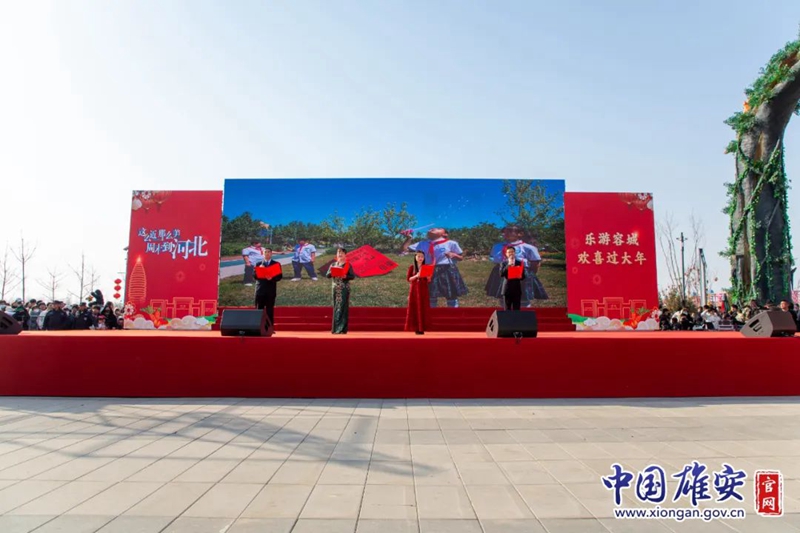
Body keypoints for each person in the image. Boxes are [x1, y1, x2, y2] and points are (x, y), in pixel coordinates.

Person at [401, 228, 467, 308]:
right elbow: (404, 249)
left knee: (450, 293)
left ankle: (453, 311)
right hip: (427, 268)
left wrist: (454, 255)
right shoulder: (422, 243)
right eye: (431, 229)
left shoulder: (451, 243)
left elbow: (461, 258)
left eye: (438, 228)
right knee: (429, 294)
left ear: (444, 234)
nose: (433, 228)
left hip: (446, 269)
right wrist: (408, 238)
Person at [486, 225, 548, 308]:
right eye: (504, 232)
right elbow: (495, 258)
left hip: (519, 272)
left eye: (509, 231)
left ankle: (523, 313)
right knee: (503, 296)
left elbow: (535, 262)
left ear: (520, 234)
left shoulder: (528, 247)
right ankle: (506, 313)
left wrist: (530, 275)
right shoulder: (497, 246)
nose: (505, 233)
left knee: (521, 297)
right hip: (501, 272)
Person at [326, 248, 355, 334]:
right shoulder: (333, 264)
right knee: (336, 307)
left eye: (342, 253)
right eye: (338, 252)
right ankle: (335, 329)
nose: (340, 254)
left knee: (343, 307)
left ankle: (342, 329)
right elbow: (327, 275)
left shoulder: (348, 265)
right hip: (335, 288)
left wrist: (345, 276)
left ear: (345, 255)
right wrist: (333, 272)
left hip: (344, 288)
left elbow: (352, 276)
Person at [254, 248, 283, 329]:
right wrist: (259, 269)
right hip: (260, 289)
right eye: (265, 252)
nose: (267, 253)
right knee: (259, 309)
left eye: (269, 252)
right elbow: (254, 276)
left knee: (269, 309)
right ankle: (258, 327)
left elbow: (279, 277)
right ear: (263, 254)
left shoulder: (276, 264)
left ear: (271, 254)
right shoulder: (259, 263)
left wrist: (272, 278)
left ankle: (269, 328)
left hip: (270, 290)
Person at [405, 251, 432, 335]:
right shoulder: (412, 267)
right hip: (414, 289)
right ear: (415, 257)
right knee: (415, 307)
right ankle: (415, 327)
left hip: (423, 289)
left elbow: (429, 280)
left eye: (422, 257)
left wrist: (428, 276)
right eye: (419, 256)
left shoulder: (426, 267)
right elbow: (408, 279)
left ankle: (422, 328)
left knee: (423, 307)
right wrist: (416, 276)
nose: (420, 258)